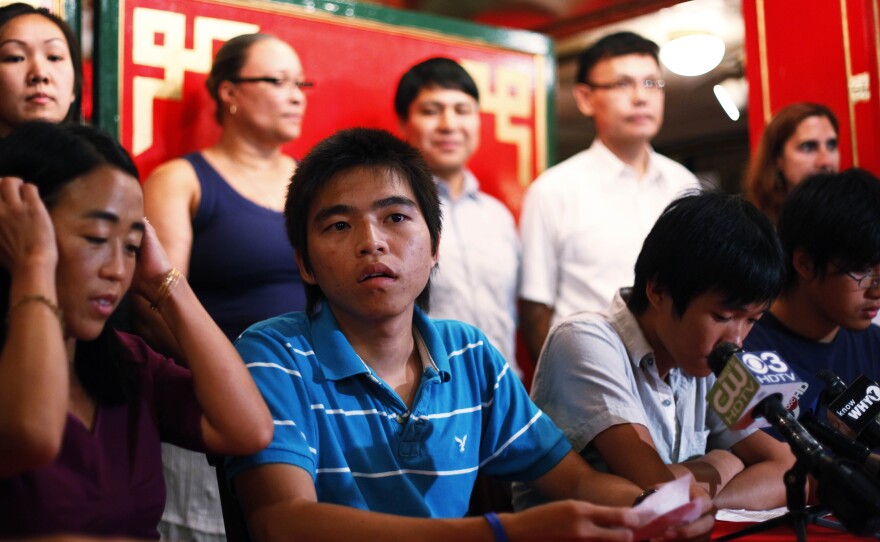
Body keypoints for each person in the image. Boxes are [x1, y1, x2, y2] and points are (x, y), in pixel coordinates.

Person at [225, 126, 714, 541]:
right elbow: (281, 522)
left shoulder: (468, 353)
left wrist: (653, 511)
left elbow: (578, 482)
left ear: (435, 246)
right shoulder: (273, 353)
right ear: (304, 264)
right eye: (337, 225)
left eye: (395, 217)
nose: (371, 241)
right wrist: (501, 532)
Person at [0, 121, 272, 538]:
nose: (116, 271)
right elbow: (32, 435)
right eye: (95, 237)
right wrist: (33, 263)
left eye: (131, 246)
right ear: (15, 231)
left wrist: (168, 283)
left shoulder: (129, 360)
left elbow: (248, 429)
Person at [516, 192, 794, 512]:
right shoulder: (585, 340)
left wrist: (705, 498)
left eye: (752, 321)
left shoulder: (706, 357)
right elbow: (655, 489)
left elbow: (786, 469)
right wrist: (725, 462)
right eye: (722, 317)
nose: (736, 340)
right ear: (659, 290)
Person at [135, 33, 309, 541]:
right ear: (229, 92)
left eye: (302, 83)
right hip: (208, 402)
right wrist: (232, 379)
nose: (296, 94)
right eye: (278, 81)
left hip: (304, 403)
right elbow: (153, 302)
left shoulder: (311, 182)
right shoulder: (181, 179)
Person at [518, 31, 700, 360]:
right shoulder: (553, 190)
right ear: (586, 98)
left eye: (651, 84)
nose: (640, 97)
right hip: (587, 376)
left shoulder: (683, 185)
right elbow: (535, 308)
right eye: (622, 84)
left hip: (673, 377)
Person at [394, 57, 521, 376]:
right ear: (403, 122)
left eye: (462, 110)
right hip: (428, 394)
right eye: (431, 111)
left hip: (505, 394)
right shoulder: (391, 214)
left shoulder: (498, 216)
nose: (449, 124)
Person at [744, 168, 880, 419]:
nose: (876, 290)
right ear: (805, 263)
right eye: (862, 271)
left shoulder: (873, 343)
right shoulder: (749, 352)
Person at [743, 102, 839, 225]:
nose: (825, 161)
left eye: (831, 145)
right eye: (808, 147)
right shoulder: (757, 230)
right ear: (777, 158)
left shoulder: (854, 221)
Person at [0, 3, 81, 137]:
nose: (40, 74)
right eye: (16, 58)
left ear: (74, 87)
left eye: (54, 57)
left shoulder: (100, 157)